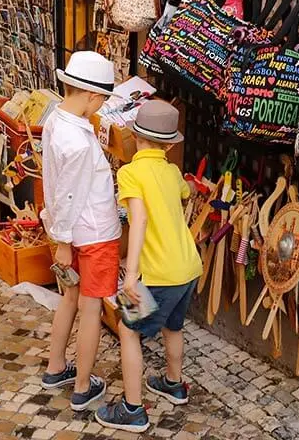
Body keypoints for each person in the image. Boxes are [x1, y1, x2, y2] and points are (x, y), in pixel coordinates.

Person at [95, 100, 201, 433]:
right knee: (173, 326)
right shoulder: (170, 171)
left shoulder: (129, 172)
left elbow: (137, 221)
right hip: (187, 268)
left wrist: (132, 275)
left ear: (135, 136)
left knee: (128, 331)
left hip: (154, 273)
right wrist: (193, 187)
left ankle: (132, 409)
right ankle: (173, 383)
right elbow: (189, 190)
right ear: (170, 144)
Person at [40, 51, 121, 412]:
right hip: (93, 235)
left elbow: (57, 188)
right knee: (91, 309)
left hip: (72, 232)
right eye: (103, 98)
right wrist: (63, 240)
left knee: (70, 298)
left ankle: (56, 365)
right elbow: (70, 193)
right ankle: (84, 385)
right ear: (91, 96)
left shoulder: (58, 121)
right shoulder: (76, 141)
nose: (102, 104)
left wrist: (60, 235)